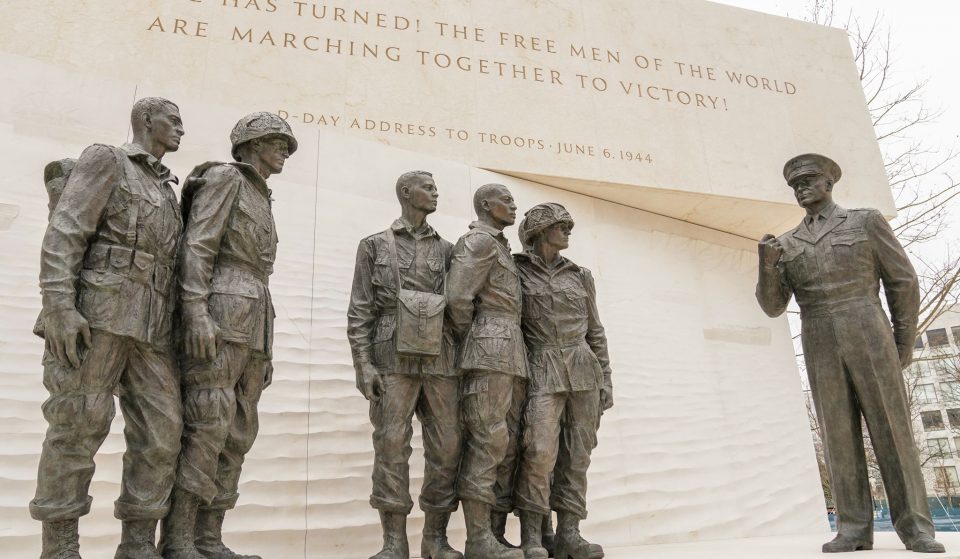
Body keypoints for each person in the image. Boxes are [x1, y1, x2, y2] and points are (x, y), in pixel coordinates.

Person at [756, 153, 944, 554]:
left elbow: (903, 282)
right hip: (819, 334)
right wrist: (767, 264)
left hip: (867, 325)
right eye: (795, 185)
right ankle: (853, 529)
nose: (801, 188)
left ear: (828, 183)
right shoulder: (787, 243)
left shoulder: (865, 221)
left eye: (809, 180)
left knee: (892, 429)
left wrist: (903, 342)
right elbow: (772, 306)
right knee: (837, 434)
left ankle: (916, 528)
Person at [32, 97, 186, 559]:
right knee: (77, 427)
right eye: (173, 120)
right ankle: (60, 546)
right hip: (96, 315)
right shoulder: (108, 158)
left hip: (152, 327)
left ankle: (137, 546)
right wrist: (58, 305)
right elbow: (65, 231)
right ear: (145, 121)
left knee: (163, 433)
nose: (181, 129)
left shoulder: (166, 189)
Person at [159, 112, 296, 559]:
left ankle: (209, 536)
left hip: (254, 319)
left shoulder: (263, 196)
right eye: (279, 142)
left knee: (239, 431)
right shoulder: (225, 179)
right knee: (206, 424)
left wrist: (268, 346)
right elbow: (198, 245)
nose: (285, 152)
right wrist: (196, 311)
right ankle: (179, 539)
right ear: (253, 143)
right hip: (220, 311)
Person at [346, 170, 463, 559]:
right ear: (405, 193)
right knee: (391, 445)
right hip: (389, 353)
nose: (435, 193)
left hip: (441, 358)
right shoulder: (374, 246)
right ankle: (393, 542)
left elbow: (462, 310)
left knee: (446, 447)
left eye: (436, 187)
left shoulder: (449, 250)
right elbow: (360, 310)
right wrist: (363, 364)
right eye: (428, 188)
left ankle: (436, 538)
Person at [513, 204, 612, 559]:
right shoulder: (515, 270)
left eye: (569, 225)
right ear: (540, 231)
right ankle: (533, 535)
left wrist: (607, 380)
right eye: (561, 225)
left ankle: (570, 533)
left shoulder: (580, 275)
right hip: (540, 364)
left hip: (584, 369)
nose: (569, 230)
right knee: (538, 452)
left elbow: (595, 331)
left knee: (577, 456)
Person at [446, 184, 527, 559]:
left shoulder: (499, 246)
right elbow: (459, 298)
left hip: (509, 351)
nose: (513, 206)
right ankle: (478, 540)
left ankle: (491, 536)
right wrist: (475, 337)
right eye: (506, 200)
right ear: (485, 205)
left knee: (503, 443)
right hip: (490, 349)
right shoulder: (478, 242)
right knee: (487, 440)